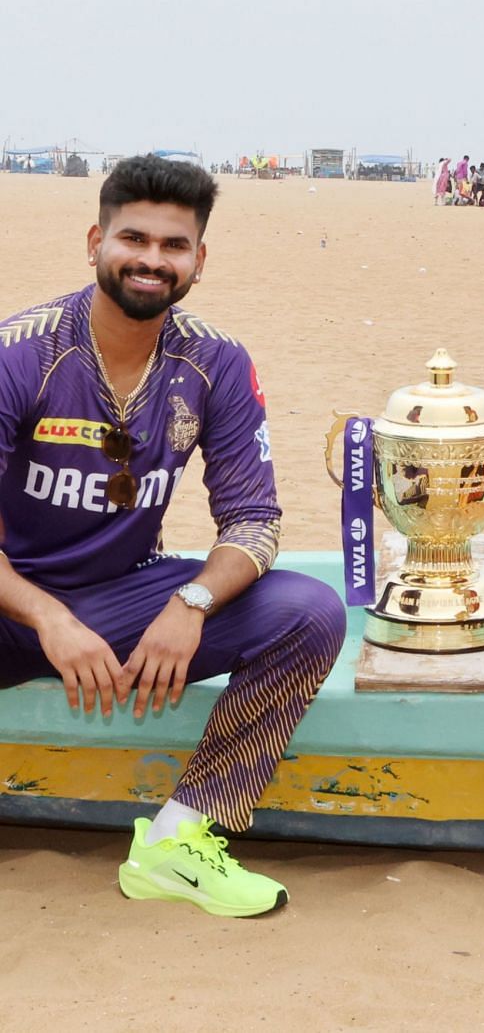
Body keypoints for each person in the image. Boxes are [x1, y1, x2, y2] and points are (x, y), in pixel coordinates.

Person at [0, 155, 346, 917]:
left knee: (311, 612)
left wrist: (190, 601)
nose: (152, 259)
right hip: (11, 600)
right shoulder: (19, 353)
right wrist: (48, 618)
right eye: (134, 238)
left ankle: (177, 840)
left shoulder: (215, 361)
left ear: (198, 259)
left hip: (121, 599)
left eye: (174, 245)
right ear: (96, 240)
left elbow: (255, 519)